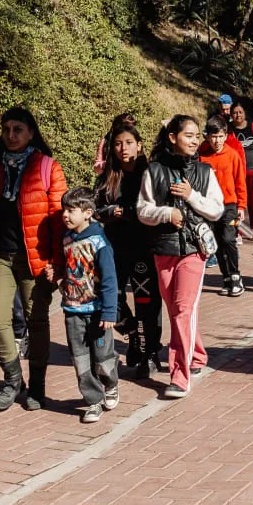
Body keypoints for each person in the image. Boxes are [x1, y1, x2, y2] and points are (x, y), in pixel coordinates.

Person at [0, 107, 67, 412]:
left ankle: (38, 385)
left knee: (37, 320)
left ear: (31, 132)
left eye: (18, 129)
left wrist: (58, 261)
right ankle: (13, 379)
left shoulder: (47, 167)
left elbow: (59, 218)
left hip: (35, 258)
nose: (11, 135)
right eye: (6, 129)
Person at [137, 115, 226, 398]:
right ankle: (197, 354)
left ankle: (179, 375)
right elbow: (143, 210)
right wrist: (167, 213)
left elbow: (217, 210)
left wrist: (191, 196)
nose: (195, 140)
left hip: (193, 249)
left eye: (197, 135)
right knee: (177, 310)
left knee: (183, 308)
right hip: (163, 249)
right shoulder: (153, 171)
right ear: (172, 137)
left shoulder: (204, 171)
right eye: (189, 135)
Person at [94, 123, 163, 379]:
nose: (123, 148)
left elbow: (157, 208)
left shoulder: (151, 173)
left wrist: (128, 212)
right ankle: (133, 333)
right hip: (114, 248)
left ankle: (149, 353)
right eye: (118, 143)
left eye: (129, 142)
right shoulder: (108, 176)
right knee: (109, 297)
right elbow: (95, 209)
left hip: (145, 247)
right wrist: (109, 212)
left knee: (147, 302)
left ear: (139, 145)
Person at [59, 187, 121, 423]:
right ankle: (93, 401)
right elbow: (68, 270)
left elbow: (109, 279)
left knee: (103, 358)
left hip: (97, 312)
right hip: (73, 310)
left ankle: (111, 384)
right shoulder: (66, 239)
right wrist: (57, 275)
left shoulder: (99, 242)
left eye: (71, 210)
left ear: (87, 213)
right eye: (64, 210)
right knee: (80, 359)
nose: (65, 215)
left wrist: (109, 311)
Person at [199, 117, 247, 297]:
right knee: (216, 242)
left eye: (220, 136)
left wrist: (241, 205)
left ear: (226, 136)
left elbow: (240, 181)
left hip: (229, 205)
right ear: (207, 137)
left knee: (228, 239)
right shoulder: (201, 155)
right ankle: (226, 277)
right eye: (213, 137)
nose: (217, 141)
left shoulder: (232, 155)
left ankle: (235, 275)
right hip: (209, 206)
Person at [230, 104, 253, 237]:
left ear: (245, 113)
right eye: (235, 112)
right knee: (235, 201)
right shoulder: (228, 130)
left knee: (252, 201)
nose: (238, 115)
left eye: (240, 112)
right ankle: (236, 230)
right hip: (236, 172)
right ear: (231, 115)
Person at [93, 112, 137, 176]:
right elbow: (96, 167)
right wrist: (106, 165)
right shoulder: (106, 141)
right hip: (110, 179)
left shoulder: (134, 141)